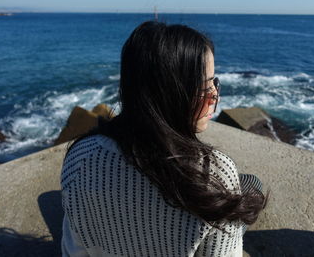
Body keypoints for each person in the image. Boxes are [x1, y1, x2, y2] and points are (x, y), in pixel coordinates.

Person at [60, 21, 267, 257]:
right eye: (205, 88)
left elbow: (73, 252)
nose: (214, 96)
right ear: (169, 94)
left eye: (215, 84)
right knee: (251, 185)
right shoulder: (216, 173)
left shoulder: (80, 158)